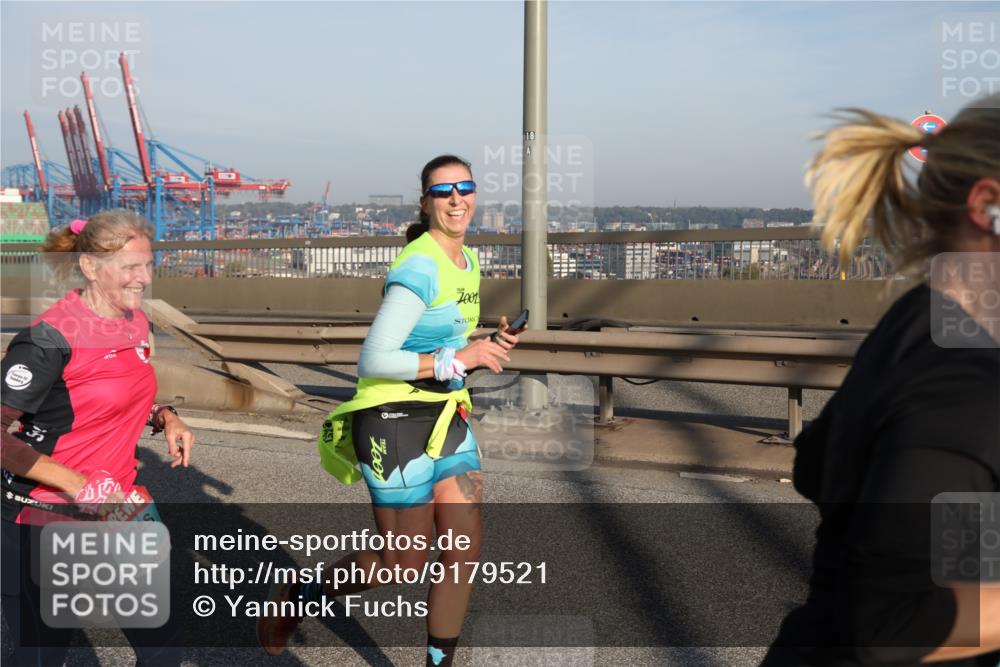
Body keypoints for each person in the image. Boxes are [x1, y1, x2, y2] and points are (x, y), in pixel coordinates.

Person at [762, 97, 1000, 665]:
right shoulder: (961, 382)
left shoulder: (917, 322)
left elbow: (814, 463)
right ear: (987, 205)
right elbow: (894, 626)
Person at [258, 155, 521, 665]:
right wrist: (459, 357)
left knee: (462, 554)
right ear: (425, 205)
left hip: (447, 417)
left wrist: (484, 344)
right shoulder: (419, 264)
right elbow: (376, 357)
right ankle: (299, 596)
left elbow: (445, 343)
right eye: (443, 191)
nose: (456, 198)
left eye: (465, 187)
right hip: (394, 422)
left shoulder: (466, 261)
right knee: (402, 564)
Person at [1, 210, 195, 665]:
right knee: (41, 657)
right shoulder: (50, 338)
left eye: (148, 264)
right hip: (44, 512)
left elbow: (109, 395)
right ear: (90, 266)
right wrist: (77, 484)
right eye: (129, 266)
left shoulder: (135, 321)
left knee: (164, 649)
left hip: (119, 504)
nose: (144, 278)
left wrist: (164, 417)